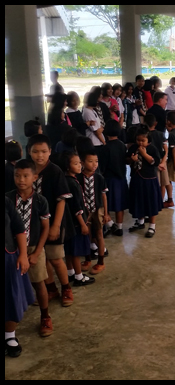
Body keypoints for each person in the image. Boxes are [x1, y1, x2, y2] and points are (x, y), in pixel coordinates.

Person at [6, 159, 53, 337]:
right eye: (17, 176)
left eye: (26, 176)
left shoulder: (41, 201)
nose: (21, 180)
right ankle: (11, 324)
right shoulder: (8, 198)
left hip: (33, 248)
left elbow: (45, 228)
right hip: (12, 249)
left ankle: (45, 316)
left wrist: (37, 252)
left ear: (35, 177)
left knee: (39, 282)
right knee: (11, 286)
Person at [27, 134, 74, 307]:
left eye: (44, 151)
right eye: (35, 151)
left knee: (55, 258)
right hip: (34, 225)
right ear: (29, 151)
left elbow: (61, 200)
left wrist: (55, 226)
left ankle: (66, 288)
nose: (40, 155)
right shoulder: (28, 171)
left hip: (54, 221)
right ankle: (51, 288)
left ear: (50, 152)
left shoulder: (55, 171)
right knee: (42, 258)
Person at [57, 151, 95, 288]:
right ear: (67, 166)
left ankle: (71, 272)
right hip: (76, 224)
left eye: (80, 163)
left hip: (69, 224)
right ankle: (79, 276)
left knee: (69, 250)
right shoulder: (72, 183)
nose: (80, 166)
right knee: (76, 252)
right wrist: (83, 224)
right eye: (76, 163)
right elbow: (76, 207)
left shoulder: (67, 180)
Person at [5, 195, 35, 358]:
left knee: (10, 298)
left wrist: (23, 254)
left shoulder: (6, 202)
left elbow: (19, 229)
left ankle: (9, 336)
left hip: (8, 259)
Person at [126, 126, 163, 237]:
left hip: (149, 180)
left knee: (151, 202)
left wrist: (144, 154)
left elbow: (155, 162)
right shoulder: (133, 148)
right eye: (138, 140)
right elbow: (127, 159)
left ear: (148, 140)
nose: (140, 143)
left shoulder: (152, 149)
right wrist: (131, 160)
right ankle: (140, 221)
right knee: (139, 201)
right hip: (137, 178)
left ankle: (152, 226)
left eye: (143, 141)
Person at [76, 150, 109, 274]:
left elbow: (104, 195)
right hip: (84, 211)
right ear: (83, 163)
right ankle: (88, 259)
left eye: (96, 161)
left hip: (98, 210)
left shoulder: (99, 177)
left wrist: (106, 213)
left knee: (99, 235)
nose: (94, 164)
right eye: (90, 161)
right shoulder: (78, 178)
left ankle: (100, 262)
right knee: (87, 235)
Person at [100, 120, 129, 236]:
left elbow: (102, 166)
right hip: (121, 178)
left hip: (109, 178)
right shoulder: (122, 145)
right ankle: (120, 226)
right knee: (119, 204)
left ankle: (108, 225)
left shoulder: (105, 148)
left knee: (105, 204)